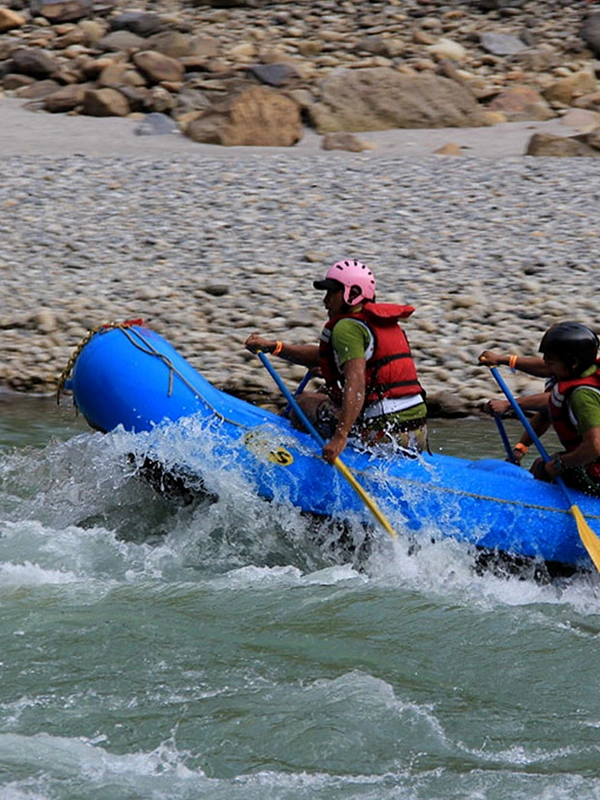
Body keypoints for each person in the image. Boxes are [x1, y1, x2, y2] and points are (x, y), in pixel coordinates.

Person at [245, 259, 427, 464]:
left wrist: (340, 436)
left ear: (353, 294)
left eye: (332, 293)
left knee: (304, 402)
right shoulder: (381, 324)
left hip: (383, 434)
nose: (326, 301)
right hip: (416, 434)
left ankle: (290, 459)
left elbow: (356, 382)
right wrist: (275, 347)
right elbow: (324, 358)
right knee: (324, 392)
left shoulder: (346, 328)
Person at [529, 321, 600, 495]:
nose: (548, 370)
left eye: (551, 364)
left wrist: (561, 464)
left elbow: (595, 446)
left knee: (542, 468)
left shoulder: (582, 396)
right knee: (543, 463)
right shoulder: (590, 374)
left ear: (573, 363)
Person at [478, 348, 553, 465]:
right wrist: (521, 447)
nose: (546, 360)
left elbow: (555, 400)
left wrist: (508, 404)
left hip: (587, 456)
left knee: (541, 467)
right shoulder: (564, 372)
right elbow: (547, 414)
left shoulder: (581, 387)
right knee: (540, 466)